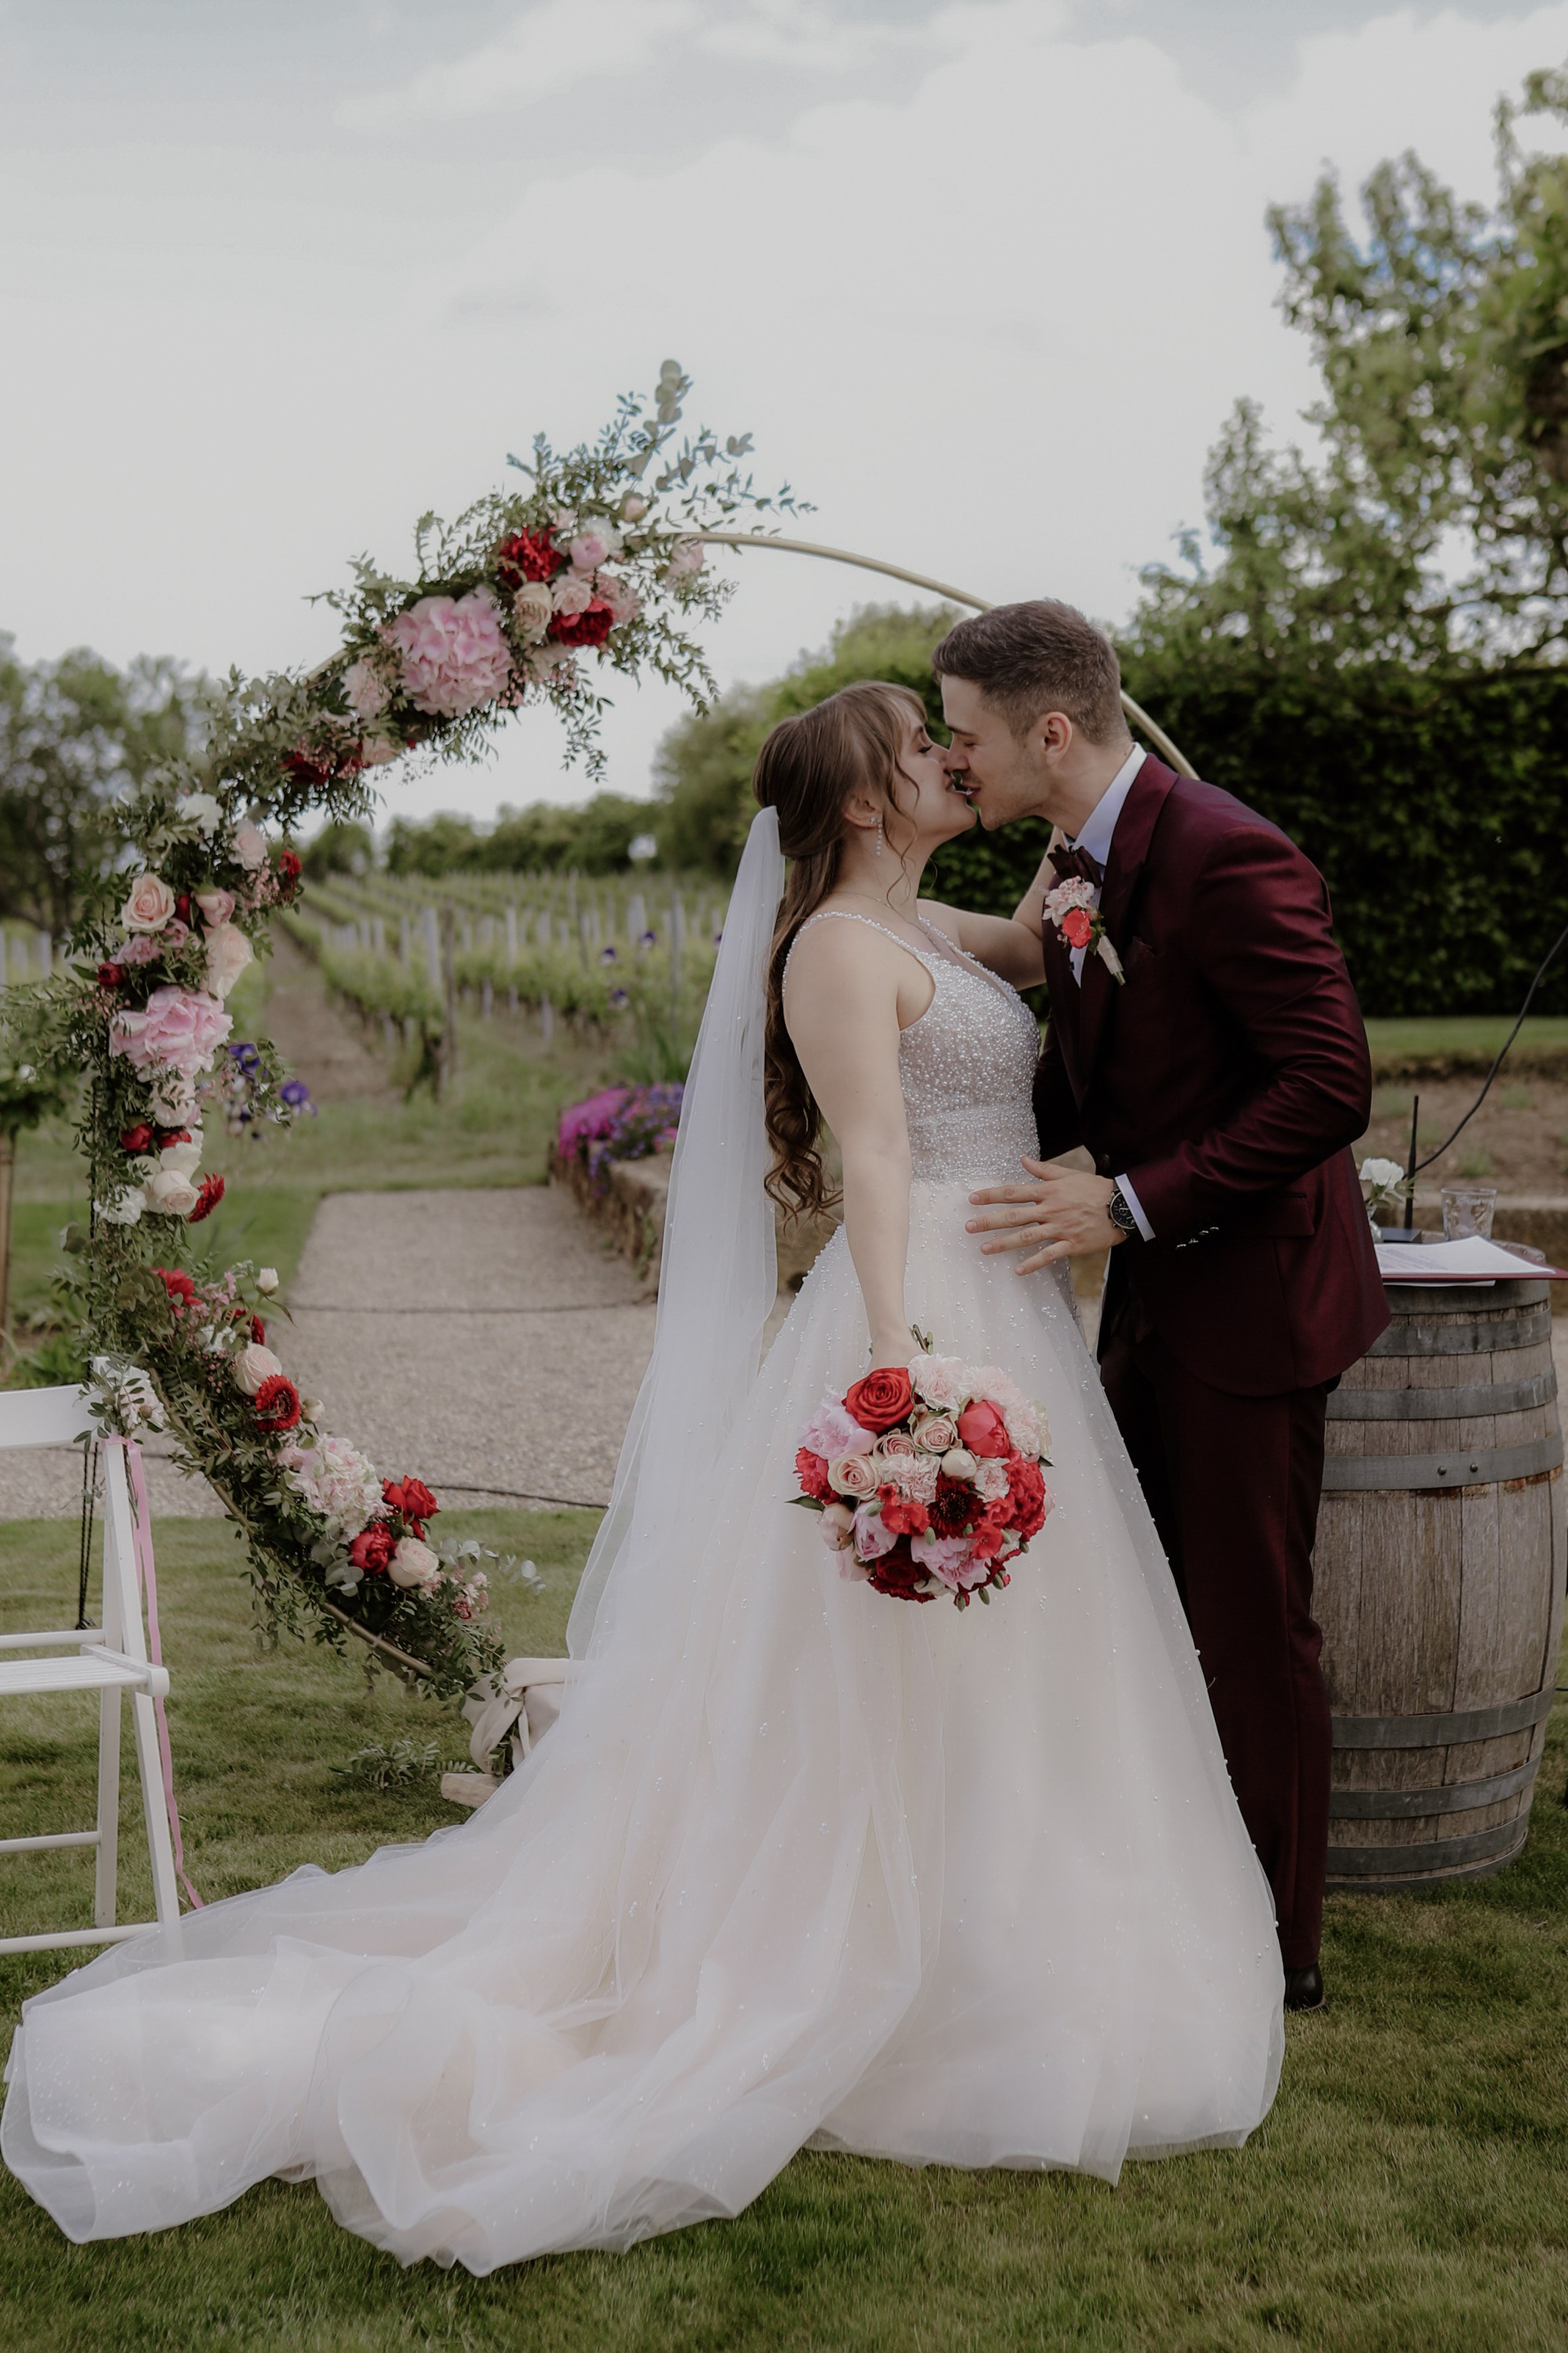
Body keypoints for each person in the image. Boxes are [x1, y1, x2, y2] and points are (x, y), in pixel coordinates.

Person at [4, 682, 1283, 2273]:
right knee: (896, 1657)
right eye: (923, 749)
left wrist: (1093, 780)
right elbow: (875, 1155)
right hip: (929, 1305)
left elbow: (1045, 935)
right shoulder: (829, 947)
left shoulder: (929, 922)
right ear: (868, 800)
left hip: (1007, 1289)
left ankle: (1011, 1946)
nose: (953, 760)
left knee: (1030, 1662)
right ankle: (879, 1960)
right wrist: (905, 1368)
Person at [937, 603, 1388, 2012]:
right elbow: (1094, 1062)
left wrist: (1126, 1201)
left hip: (1250, 1293)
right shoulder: (1073, 860)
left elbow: (1327, 1085)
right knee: (1130, 1605)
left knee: (1252, 1625)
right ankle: (1156, 1893)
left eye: (964, 737)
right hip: (1152, 1290)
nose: (955, 763)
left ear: (1049, 732)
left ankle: (1276, 1947)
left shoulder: (1224, 852)